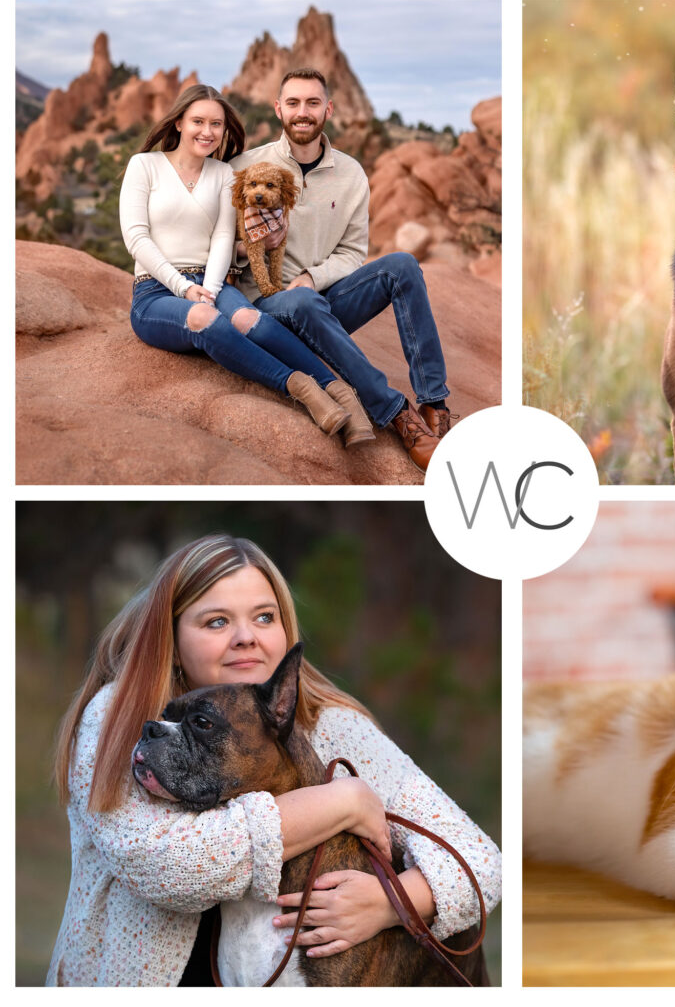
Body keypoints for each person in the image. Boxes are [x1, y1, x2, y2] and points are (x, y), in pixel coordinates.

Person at [46, 535, 501, 986]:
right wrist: (341, 803)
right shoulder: (122, 715)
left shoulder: (328, 726)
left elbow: (480, 863)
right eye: (216, 622)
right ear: (172, 635)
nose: (246, 638)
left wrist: (392, 901)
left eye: (264, 617)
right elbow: (170, 866)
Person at [119, 84, 371, 446]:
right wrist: (185, 289)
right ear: (178, 123)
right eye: (198, 121)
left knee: (248, 318)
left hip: (211, 280)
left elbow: (224, 237)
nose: (207, 132)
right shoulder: (145, 166)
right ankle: (302, 389)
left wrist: (212, 287)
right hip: (157, 290)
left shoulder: (223, 173)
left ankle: (342, 395)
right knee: (206, 319)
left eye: (216, 124)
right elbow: (136, 238)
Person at [230, 69, 453, 473]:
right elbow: (219, 247)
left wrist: (313, 277)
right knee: (299, 301)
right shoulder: (247, 167)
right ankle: (397, 413)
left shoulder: (350, 174)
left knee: (401, 265)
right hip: (269, 307)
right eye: (293, 103)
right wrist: (251, 250)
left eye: (312, 103)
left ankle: (434, 403)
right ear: (278, 108)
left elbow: (353, 252)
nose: (303, 112)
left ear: (328, 109)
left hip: (322, 300)